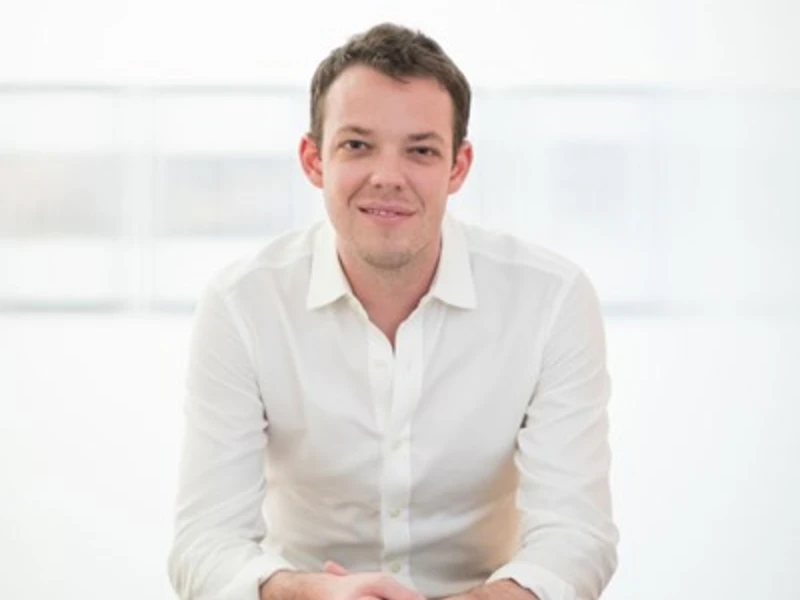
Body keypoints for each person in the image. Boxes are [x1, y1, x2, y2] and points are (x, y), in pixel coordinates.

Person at [167, 22, 619, 600]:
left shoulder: (552, 300)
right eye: (357, 145)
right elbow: (205, 541)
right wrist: (306, 593)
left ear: (458, 167)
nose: (388, 177)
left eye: (421, 150)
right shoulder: (241, 306)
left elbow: (575, 537)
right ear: (313, 160)